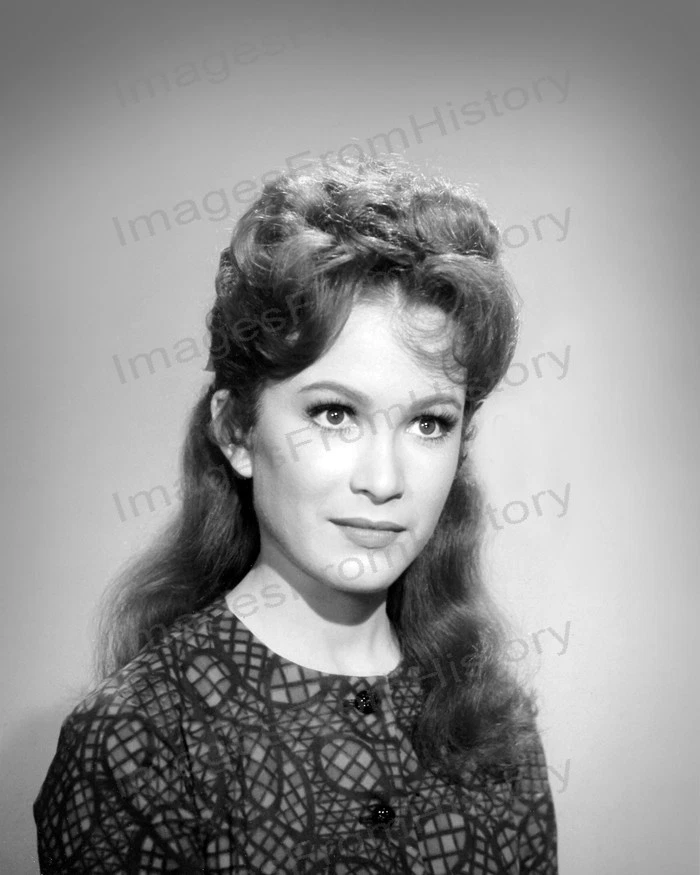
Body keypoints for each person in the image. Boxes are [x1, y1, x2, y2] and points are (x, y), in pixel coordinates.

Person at [34, 156, 558, 873]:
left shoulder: (495, 724)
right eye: (334, 413)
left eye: (429, 423)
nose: (384, 480)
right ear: (237, 431)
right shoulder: (138, 740)